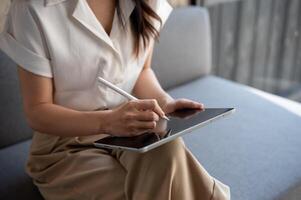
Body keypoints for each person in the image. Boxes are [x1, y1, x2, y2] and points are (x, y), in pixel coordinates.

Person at [0, 0, 230, 199]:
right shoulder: (32, 8)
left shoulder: (146, 2)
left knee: (167, 148)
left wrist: (164, 101)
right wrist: (108, 121)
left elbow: (141, 71)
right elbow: (38, 111)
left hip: (129, 131)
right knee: (164, 189)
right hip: (64, 145)